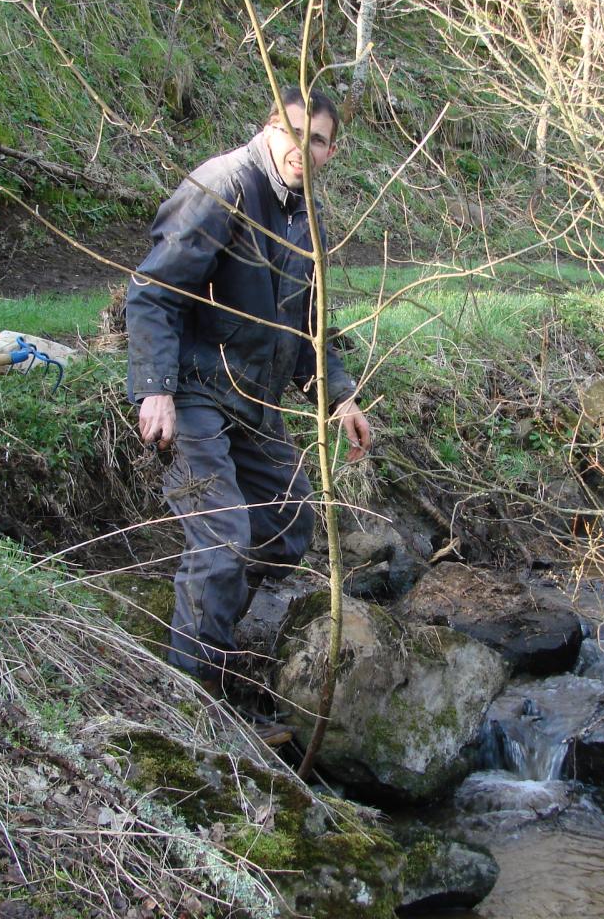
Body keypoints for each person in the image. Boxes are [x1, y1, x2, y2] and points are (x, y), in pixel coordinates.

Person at [126, 86, 371, 743]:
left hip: (255, 402)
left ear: (331, 151)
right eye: (292, 132)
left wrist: (338, 396)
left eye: (317, 139)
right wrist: (155, 388)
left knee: (290, 524)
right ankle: (194, 709)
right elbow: (153, 294)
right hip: (197, 389)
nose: (302, 148)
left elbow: (309, 325)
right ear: (269, 127)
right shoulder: (222, 186)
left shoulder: (304, 217)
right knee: (222, 540)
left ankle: (213, 641)